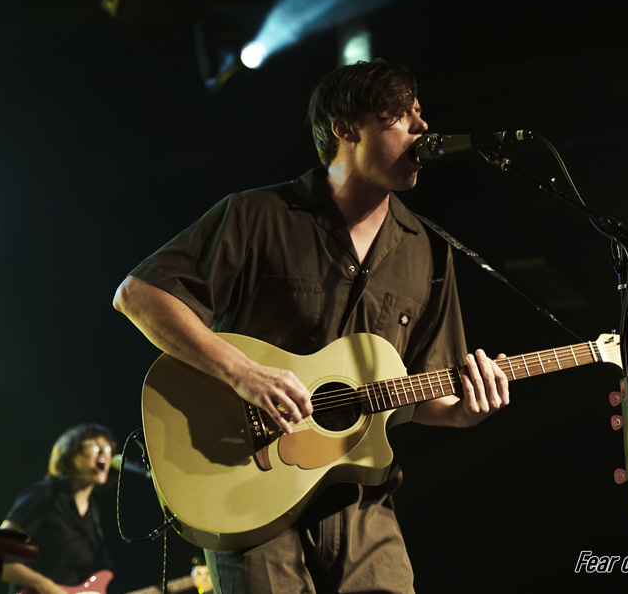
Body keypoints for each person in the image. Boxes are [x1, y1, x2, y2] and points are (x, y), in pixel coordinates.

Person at [113, 59, 510, 593]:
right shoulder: (258, 215)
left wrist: (464, 411)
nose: (422, 129)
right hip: (248, 493)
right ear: (344, 129)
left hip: (364, 510)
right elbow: (139, 294)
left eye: (421, 114)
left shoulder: (430, 253)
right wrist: (243, 374)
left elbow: (425, 393)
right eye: (400, 117)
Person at [0, 423, 116, 594]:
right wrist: (46, 586)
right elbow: (0, 555)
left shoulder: (94, 513)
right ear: (70, 453)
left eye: (108, 449)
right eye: (96, 446)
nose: (105, 453)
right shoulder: (45, 495)